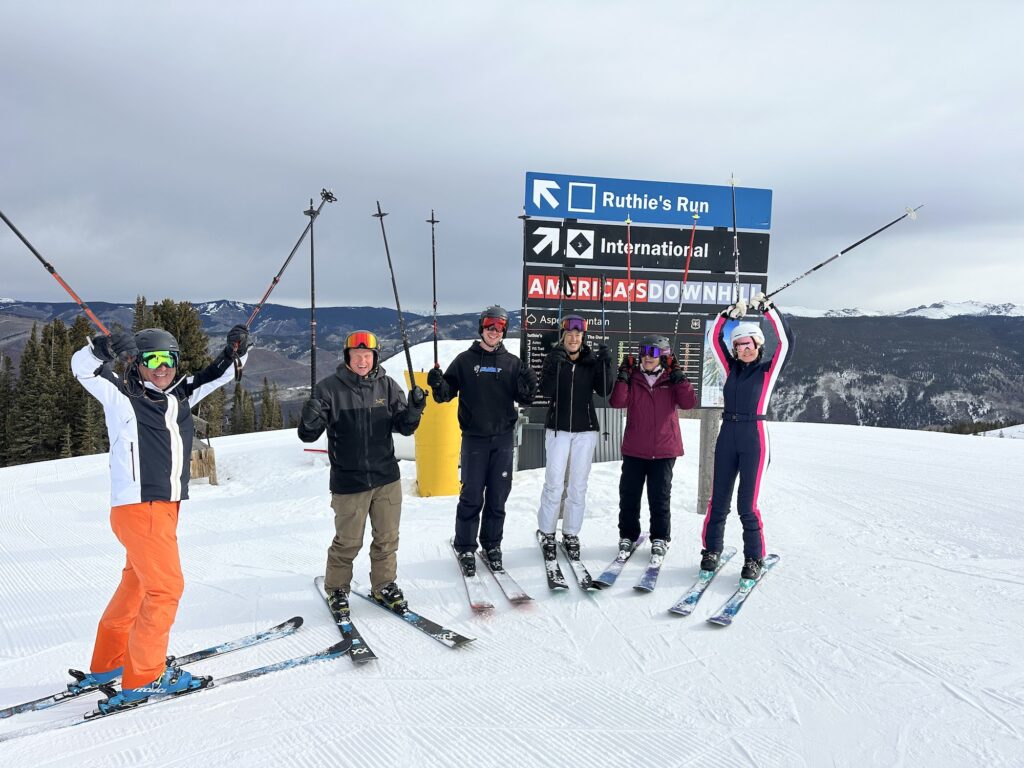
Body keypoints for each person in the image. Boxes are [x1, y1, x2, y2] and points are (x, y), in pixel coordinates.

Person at [70, 323, 250, 712]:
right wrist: (101, 348)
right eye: (152, 359)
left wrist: (238, 349)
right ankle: (145, 677)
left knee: (137, 585)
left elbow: (219, 373)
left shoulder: (181, 394)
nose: (161, 367)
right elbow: (83, 368)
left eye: (168, 359)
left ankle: (109, 664)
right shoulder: (122, 395)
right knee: (165, 589)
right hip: (142, 508)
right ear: (136, 363)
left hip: (161, 509)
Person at [298, 330, 426, 614]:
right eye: (356, 356)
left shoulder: (389, 387)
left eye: (367, 355)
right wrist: (308, 419)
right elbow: (308, 436)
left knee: (387, 539)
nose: (362, 361)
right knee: (348, 542)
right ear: (347, 357)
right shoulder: (328, 389)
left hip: (386, 479)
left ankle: (384, 585)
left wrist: (415, 410)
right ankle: (337, 590)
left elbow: (404, 426)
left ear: (375, 357)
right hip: (349, 481)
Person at [426, 305, 538, 576]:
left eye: (499, 326)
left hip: (502, 440)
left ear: (504, 331)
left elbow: (525, 398)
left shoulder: (512, 363)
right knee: (472, 495)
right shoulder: (465, 360)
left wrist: (530, 384)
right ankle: (465, 546)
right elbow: (444, 395)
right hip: (474, 440)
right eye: (489, 325)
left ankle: (492, 545)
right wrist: (437, 383)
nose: (494, 331)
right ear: (481, 328)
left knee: (498, 496)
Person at [702, 292, 793, 581]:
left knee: (747, 505)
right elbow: (714, 337)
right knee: (718, 500)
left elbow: (787, 342)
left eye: (749, 344)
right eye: (739, 345)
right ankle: (711, 550)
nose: (744, 349)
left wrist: (769, 310)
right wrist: (728, 314)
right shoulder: (729, 369)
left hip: (755, 436)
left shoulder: (768, 371)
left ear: (758, 345)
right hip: (727, 433)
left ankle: (754, 557)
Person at [609, 334, 697, 561]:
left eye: (654, 352)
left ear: (664, 356)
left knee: (659, 496)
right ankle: (628, 535)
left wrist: (679, 377)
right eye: (644, 351)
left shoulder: (670, 378)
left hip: (664, 447)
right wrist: (623, 377)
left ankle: (660, 538)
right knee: (629, 495)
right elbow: (617, 402)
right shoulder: (633, 376)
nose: (648, 357)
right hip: (635, 447)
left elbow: (688, 403)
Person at [536, 314, 613, 560]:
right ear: (563, 336)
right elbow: (545, 391)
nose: (573, 338)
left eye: (578, 335)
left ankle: (571, 533)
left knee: (578, 485)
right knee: (554, 483)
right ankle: (547, 533)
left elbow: (604, 391)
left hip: (585, 430)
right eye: (569, 334)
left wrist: (605, 365)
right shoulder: (554, 357)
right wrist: (552, 366)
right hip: (558, 429)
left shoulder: (591, 360)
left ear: (583, 337)